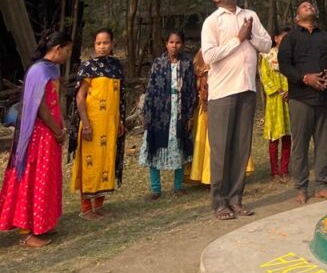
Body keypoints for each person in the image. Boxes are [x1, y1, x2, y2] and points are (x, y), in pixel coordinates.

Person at [201, 0, 271, 220]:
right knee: (221, 149)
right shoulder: (212, 21)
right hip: (222, 92)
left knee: (242, 148)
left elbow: (267, 44)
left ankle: (236, 199)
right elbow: (209, 55)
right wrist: (238, 39)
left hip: (247, 89)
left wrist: (249, 37)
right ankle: (219, 203)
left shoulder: (250, 15)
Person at [0, 30, 73, 247]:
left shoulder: (53, 69)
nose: (69, 55)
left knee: (47, 177)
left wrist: (62, 126)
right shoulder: (38, 71)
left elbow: (55, 101)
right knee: (32, 177)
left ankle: (42, 223)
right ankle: (26, 232)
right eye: (68, 50)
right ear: (57, 49)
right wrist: (56, 130)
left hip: (51, 134)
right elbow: (41, 106)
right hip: (38, 135)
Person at [278, 0, 327, 205]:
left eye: (311, 5)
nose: (309, 7)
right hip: (300, 98)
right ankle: (301, 187)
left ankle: (321, 185)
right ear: (297, 17)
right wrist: (305, 78)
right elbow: (285, 65)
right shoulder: (290, 39)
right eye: (303, 6)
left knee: (324, 144)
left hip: (325, 97)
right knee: (300, 145)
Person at [69, 27, 126, 219]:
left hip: (110, 125)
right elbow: (80, 98)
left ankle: (99, 205)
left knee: (106, 162)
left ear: (112, 44)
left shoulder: (116, 67)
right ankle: (86, 208)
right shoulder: (88, 67)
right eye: (98, 43)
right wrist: (85, 124)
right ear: (94, 45)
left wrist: (119, 121)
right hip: (91, 125)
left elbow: (119, 97)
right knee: (89, 165)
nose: (102, 47)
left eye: (106, 43)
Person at [139, 30, 196, 199]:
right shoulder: (158, 63)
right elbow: (151, 90)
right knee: (154, 146)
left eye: (178, 42)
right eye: (171, 42)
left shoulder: (186, 63)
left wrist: (190, 115)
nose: (174, 46)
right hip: (159, 113)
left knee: (178, 146)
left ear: (182, 44)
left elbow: (191, 90)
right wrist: (147, 115)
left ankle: (178, 186)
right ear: (166, 44)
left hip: (179, 112)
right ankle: (155, 189)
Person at [186, 50, 256, 187]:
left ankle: (231, 175)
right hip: (208, 102)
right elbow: (197, 76)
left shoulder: (232, 49)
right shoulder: (204, 52)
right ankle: (209, 176)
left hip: (229, 97)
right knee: (211, 141)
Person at [260, 27, 292, 183]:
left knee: (288, 135)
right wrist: (278, 90)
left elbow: (296, 74)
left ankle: (285, 169)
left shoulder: (292, 56)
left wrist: (290, 90)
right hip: (274, 101)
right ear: (276, 38)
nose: (285, 40)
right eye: (283, 37)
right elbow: (264, 77)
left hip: (289, 99)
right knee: (274, 137)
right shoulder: (266, 57)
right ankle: (274, 170)